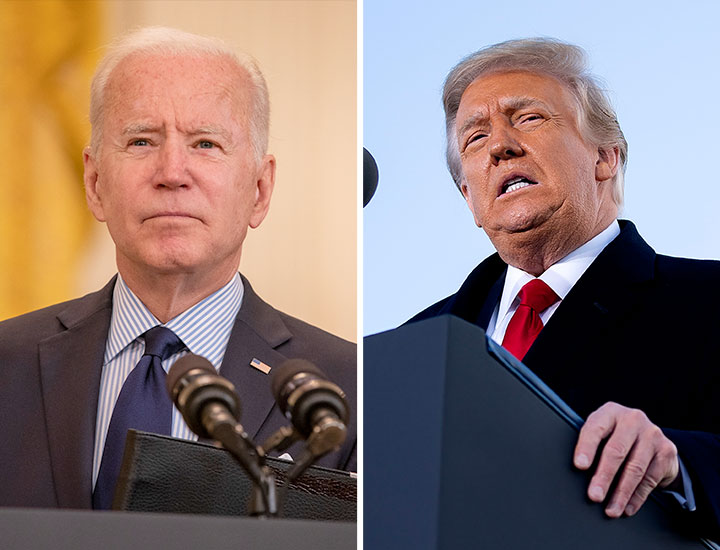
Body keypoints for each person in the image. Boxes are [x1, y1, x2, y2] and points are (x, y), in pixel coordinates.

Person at [0, 27, 355, 510]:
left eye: (205, 144)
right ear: (94, 181)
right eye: (141, 141)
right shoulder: (8, 362)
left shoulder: (350, 389)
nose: (171, 173)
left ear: (260, 189)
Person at [409, 38, 720, 538]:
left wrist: (678, 464)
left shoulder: (707, 299)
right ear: (470, 199)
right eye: (474, 138)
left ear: (606, 157)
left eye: (528, 118)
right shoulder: (417, 342)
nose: (499, 146)